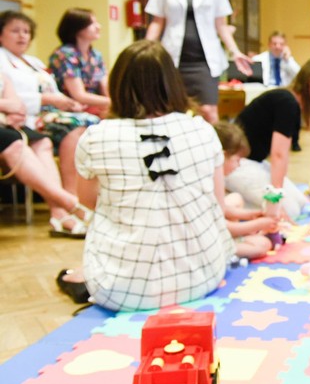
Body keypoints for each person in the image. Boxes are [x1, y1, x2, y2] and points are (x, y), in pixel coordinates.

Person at [59, 40, 234, 312]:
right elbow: (218, 205)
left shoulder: (96, 136)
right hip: (204, 276)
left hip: (119, 289)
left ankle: (84, 275)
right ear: (173, 83)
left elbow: (88, 201)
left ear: (117, 84)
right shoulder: (202, 130)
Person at [0, 11, 98, 228]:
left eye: (26, 31)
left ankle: (62, 210)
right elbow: (17, 99)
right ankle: (69, 201)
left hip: (28, 114)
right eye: (15, 31)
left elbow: (14, 95)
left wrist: (68, 102)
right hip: (30, 116)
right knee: (76, 125)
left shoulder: (32, 61)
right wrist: (17, 107)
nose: (22, 36)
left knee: (86, 125)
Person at [145, 0, 252, 123]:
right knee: (170, 110)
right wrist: (145, 49)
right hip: (173, 59)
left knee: (208, 110)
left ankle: (215, 150)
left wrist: (235, 52)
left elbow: (221, 24)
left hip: (204, 61)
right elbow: (157, 21)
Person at [225, 56, 310, 219]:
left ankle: (241, 196)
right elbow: (279, 156)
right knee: (289, 211)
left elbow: (280, 157)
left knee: (301, 202)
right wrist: (275, 197)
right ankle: (232, 199)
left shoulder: (289, 101)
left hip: (251, 162)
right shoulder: (287, 103)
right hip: (235, 165)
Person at [0, 71, 91, 236]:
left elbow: (17, 104)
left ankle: (59, 213)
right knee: (15, 145)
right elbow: (11, 104)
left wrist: (13, 111)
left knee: (42, 142)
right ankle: (70, 203)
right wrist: (7, 106)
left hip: (6, 123)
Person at [214, 121, 279, 260]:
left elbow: (223, 209)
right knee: (263, 244)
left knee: (236, 198)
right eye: (237, 160)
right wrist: (258, 224)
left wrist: (250, 215)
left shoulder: (217, 178)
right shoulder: (211, 181)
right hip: (213, 238)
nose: (238, 165)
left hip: (218, 227)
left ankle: (235, 238)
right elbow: (221, 225)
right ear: (222, 156)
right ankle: (227, 248)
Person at [48, 7, 110, 117]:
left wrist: (113, 101)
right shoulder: (65, 54)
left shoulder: (95, 54)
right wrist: (112, 103)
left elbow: (105, 86)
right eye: (92, 23)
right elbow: (79, 95)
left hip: (96, 105)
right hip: (72, 107)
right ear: (77, 28)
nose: (98, 27)